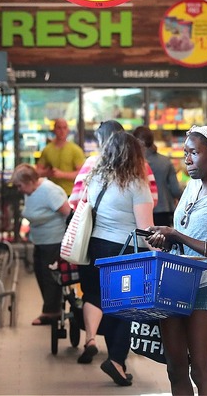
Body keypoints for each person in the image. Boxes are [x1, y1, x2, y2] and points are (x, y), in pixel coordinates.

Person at [145, 125, 207, 396]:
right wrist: (165, 239)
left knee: (200, 369)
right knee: (175, 368)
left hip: (203, 287)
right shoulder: (191, 187)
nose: (186, 159)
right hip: (173, 284)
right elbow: (185, 233)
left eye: (194, 152)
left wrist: (177, 234)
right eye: (185, 152)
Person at [76, 131, 154, 386]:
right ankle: (117, 361)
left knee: (104, 302)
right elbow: (144, 229)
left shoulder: (96, 178)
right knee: (125, 307)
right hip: (125, 250)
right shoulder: (136, 184)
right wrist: (159, 251)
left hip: (97, 247)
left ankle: (112, 356)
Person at [11, 164, 72, 326]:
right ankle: (51, 309)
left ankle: (51, 312)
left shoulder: (49, 191)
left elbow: (68, 213)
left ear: (30, 181)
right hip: (40, 240)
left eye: (19, 185)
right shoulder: (31, 191)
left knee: (50, 277)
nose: (19, 190)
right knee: (41, 274)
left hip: (54, 240)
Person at [69, 120, 158, 208]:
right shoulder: (142, 164)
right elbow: (153, 199)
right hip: (134, 220)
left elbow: (75, 199)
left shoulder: (92, 163)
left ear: (102, 141)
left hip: (98, 220)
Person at [133, 125, 182, 226]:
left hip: (140, 211)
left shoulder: (133, 163)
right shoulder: (165, 162)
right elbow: (176, 189)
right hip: (163, 210)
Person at [36, 118, 86, 196]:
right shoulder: (47, 149)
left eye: (64, 128)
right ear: (54, 130)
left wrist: (62, 174)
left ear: (68, 130)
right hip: (52, 193)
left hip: (71, 193)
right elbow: (37, 171)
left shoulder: (75, 150)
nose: (62, 131)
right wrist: (47, 173)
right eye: (59, 128)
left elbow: (82, 174)